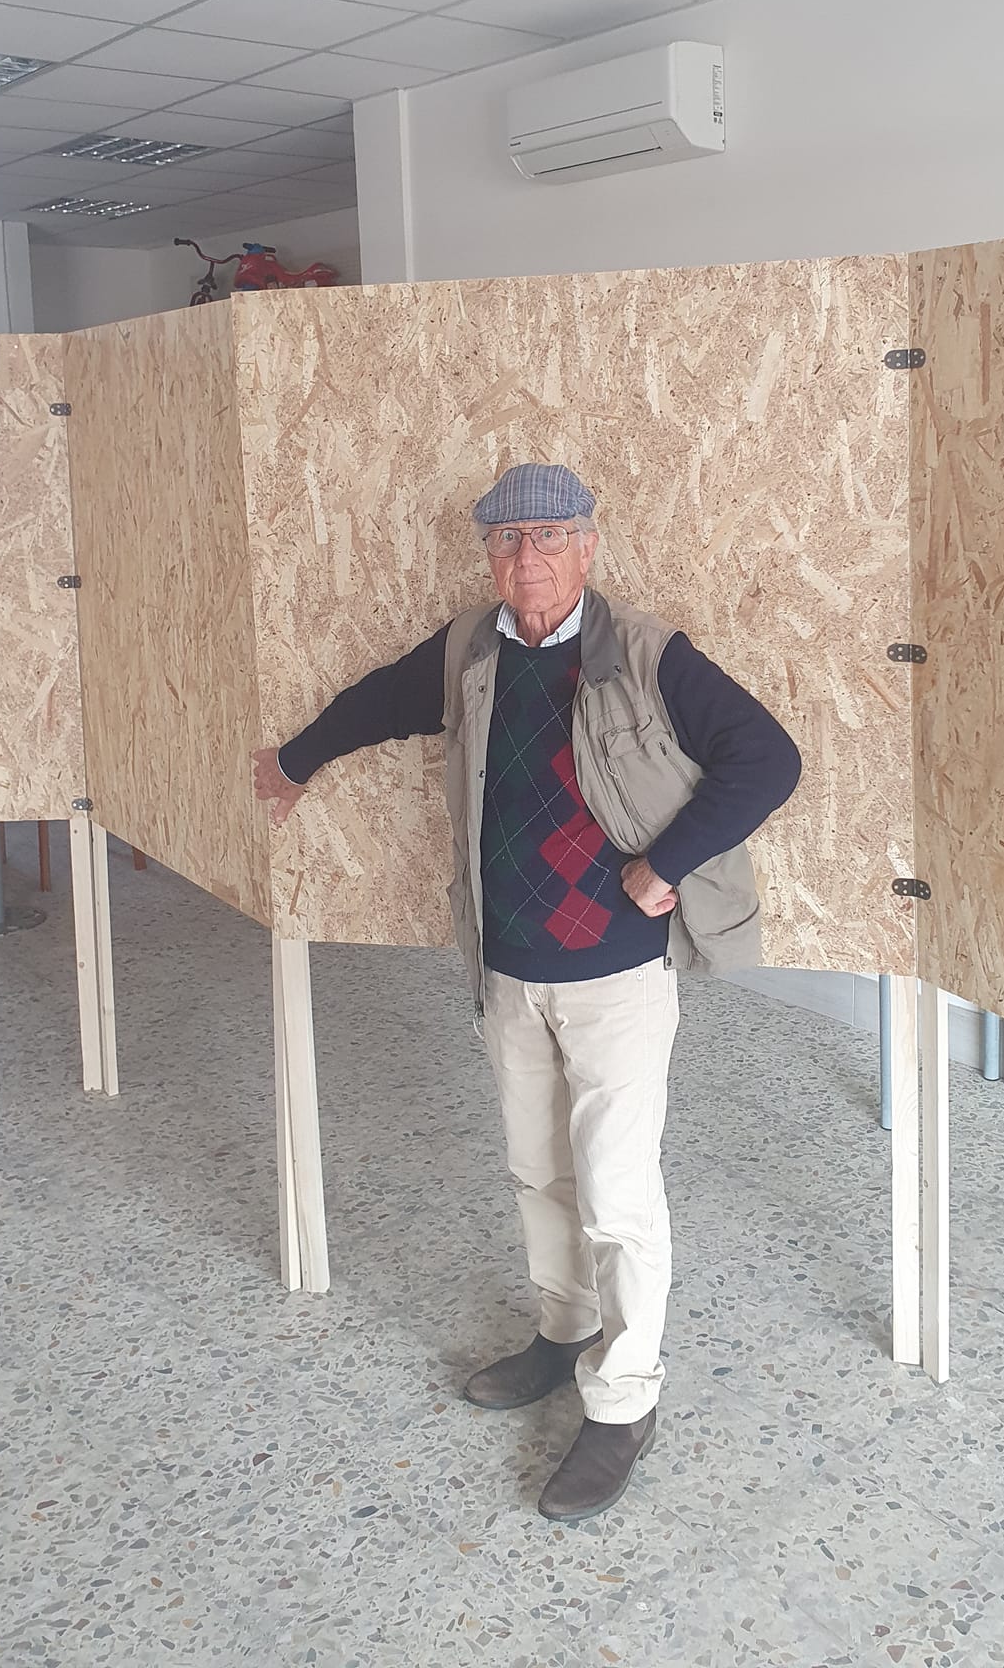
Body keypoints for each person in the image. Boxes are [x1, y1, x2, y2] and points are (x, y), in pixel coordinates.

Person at [252, 463, 801, 1522]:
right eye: (507, 541)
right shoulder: (471, 648)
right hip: (509, 968)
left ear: (588, 546)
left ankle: (626, 1399)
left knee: (617, 1191)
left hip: (616, 978)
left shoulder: (646, 654)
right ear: (489, 557)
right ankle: (563, 1330)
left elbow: (768, 759)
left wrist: (668, 861)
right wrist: (295, 760)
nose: (528, 558)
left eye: (550, 536)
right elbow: (378, 700)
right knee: (538, 1170)